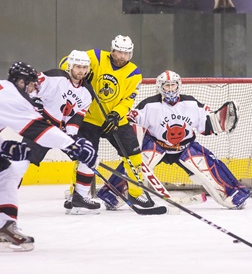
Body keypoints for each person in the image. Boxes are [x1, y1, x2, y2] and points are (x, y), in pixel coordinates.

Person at [99, 70, 251, 210]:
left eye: (173, 85)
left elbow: (207, 123)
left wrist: (219, 120)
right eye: (167, 86)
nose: (170, 89)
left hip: (185, 146)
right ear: (160, 87)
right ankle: (112, 194)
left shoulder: (191, 103)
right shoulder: (149, 105)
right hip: (156, 145)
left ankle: (234, 193)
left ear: (179, 86)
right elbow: (132, 120)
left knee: (209, 162)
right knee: (134, 161)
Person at [0, 61, 97, 251]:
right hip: (55, 131)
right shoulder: (11, 97)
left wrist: (4, 147)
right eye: (31, 84)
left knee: (7, 173)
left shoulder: (6, 90)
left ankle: (5, 224)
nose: (34, 88)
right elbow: (37, 129)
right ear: (21, 82)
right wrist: (72, 145)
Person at [59, 35, 155, 210]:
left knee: (133, 154)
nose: (122, 56)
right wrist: (80, 74)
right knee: (86, 156)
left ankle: (135, 193)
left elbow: (128, 100)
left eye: (126, 53)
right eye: (119, 52)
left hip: (115, 120)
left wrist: (116, 115)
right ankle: (78, 194)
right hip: (88, 118)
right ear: (112, 50)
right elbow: (66, 62)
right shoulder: (95, 56)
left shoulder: (134, 73)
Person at [12, 51, 101, 215]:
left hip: (61, 132)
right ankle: (5, 197)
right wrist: (35, 103)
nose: (81, 71)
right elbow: (31, 86)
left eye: (84, 67)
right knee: (21, 161)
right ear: (70, 66)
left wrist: (72, 136)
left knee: (89, 154)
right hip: (41, 126)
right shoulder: (55, 76)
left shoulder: (88, 92)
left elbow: (76, 117)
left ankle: (79, 197)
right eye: (78, 67)